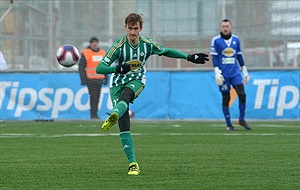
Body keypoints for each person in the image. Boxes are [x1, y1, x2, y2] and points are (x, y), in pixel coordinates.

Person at [96, 13, 209, 175]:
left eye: (136, 28)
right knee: (124, 123)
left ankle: (115, 117)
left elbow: (166, 51)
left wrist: (189, 56)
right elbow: (100, 68)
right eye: (130, 28)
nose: (132, 32)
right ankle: (132, 161)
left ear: (140, 28)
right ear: (125, 28)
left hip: (137, 80)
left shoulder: (147, 44)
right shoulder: (118, 46)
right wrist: (117, 68)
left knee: (126, 97)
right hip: (116, 84)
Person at [210, 19, 251, 131]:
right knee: (226, 97)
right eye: (223, 26)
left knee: (242, 95)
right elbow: (214, 58)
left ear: (231, 27)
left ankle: (241, 119)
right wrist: (217, 72)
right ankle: (229, 124)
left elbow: (239, 55)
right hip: (224, 75)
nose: (225, 28)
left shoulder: (236, 40)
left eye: (227, 26)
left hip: (235, 73)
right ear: (221, 27)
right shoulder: (216, 40)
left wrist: (244, 70)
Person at [79, 36, 108, 119]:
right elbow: (81, 67)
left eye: (96, 42)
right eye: (93, 42)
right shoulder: (86, 53)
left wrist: (106, 78)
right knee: (93, 96)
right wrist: (83, 79)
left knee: (97, 97)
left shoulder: (102, 53)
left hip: (99, 79)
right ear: (90, 43)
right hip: (90, 79)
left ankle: (95, 114)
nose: (94, 44)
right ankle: (93, 114)